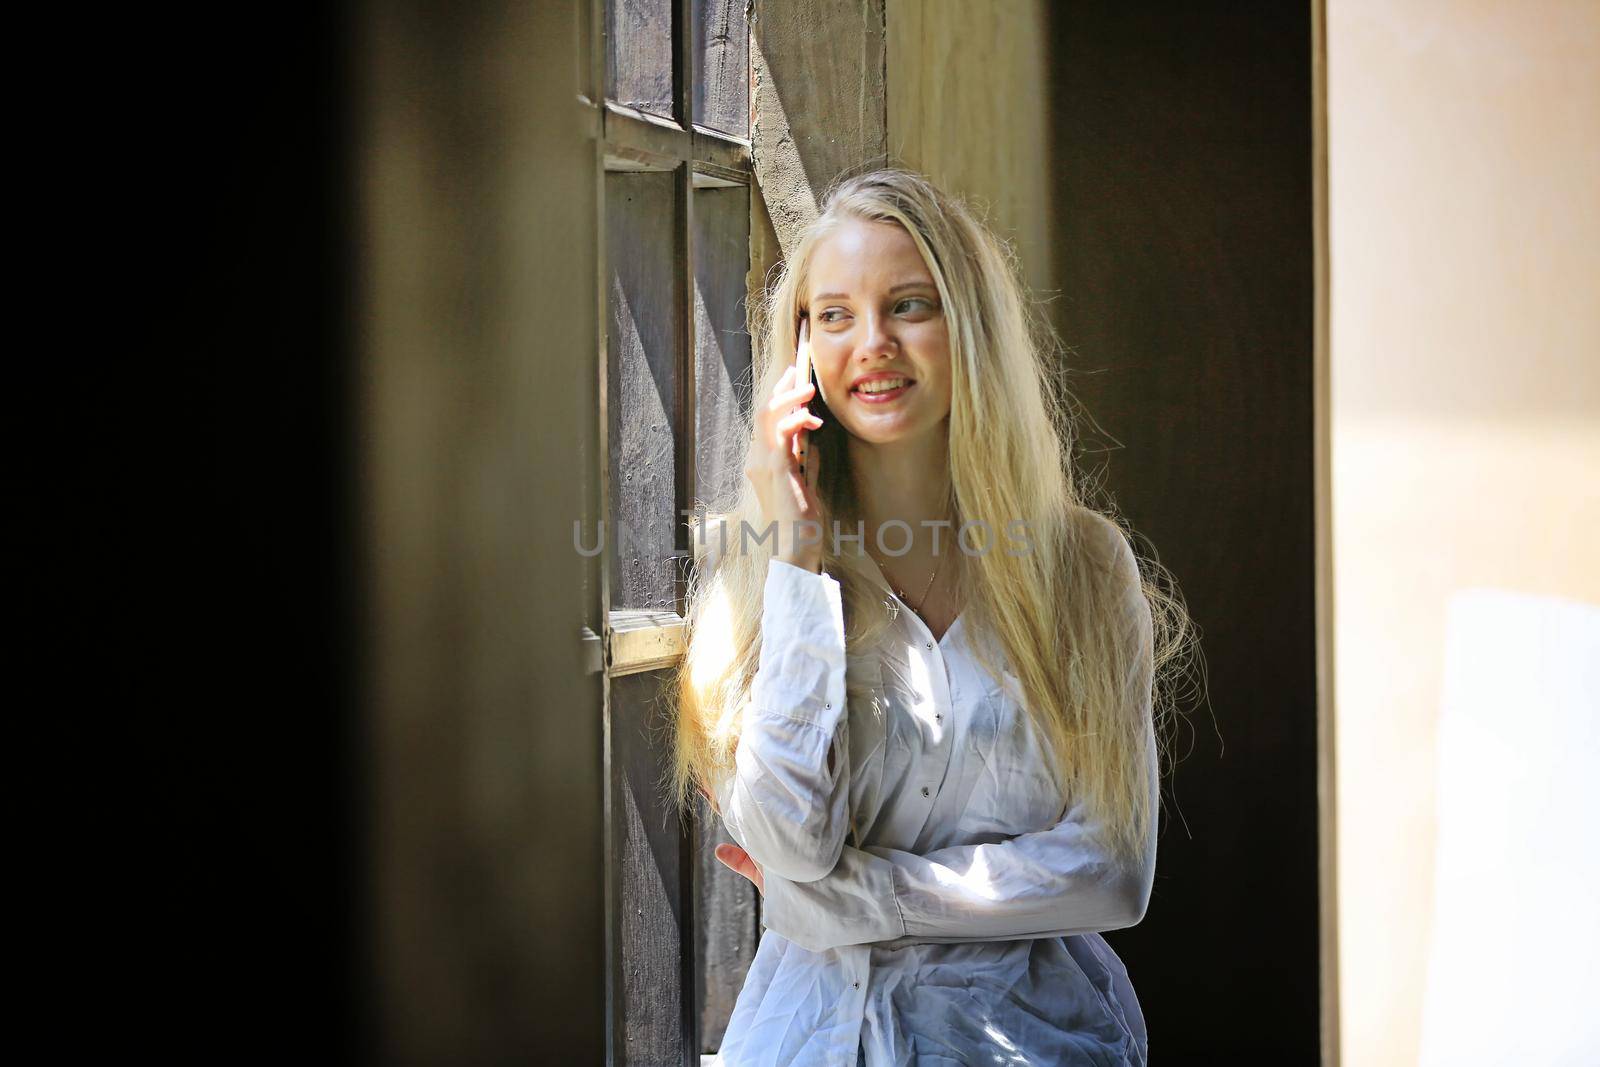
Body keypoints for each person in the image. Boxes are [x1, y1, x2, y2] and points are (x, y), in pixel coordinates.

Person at [670, 168, 1191, 1066]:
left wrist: (855, 901)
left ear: (971, 328)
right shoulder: (757, 576)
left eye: (908, 305)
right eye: (833, 315)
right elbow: (795, 845)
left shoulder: (1085, 568)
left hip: (1036, 1045)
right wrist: (796, 556)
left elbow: (1113, 872)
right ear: (799, 353)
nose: (871, 342)